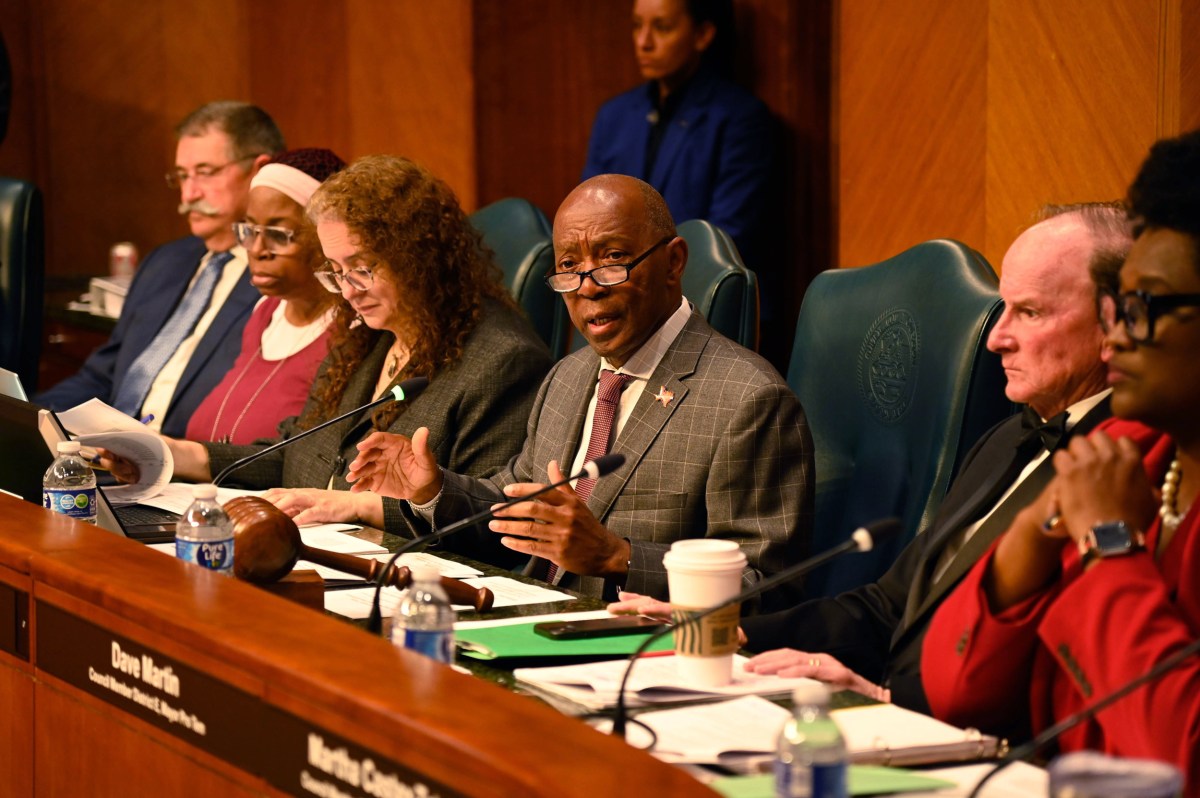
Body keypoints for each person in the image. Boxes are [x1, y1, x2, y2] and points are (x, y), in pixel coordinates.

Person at [611, 202, 1131, 708]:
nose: (996, 339)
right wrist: (723, 625)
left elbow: (1058, 674)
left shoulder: (1124, 473)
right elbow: (887, 606)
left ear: (1115, 325)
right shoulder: (1006, 438)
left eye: (1030, 312)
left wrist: (884, 699)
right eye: (1004, 307)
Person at [347, 174, 812, 606]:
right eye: (569, 266)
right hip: (531, 620)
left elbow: (766, 587)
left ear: (673, 263)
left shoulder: (747, 400)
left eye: (612, 259)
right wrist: (432, 489)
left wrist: (618, 557)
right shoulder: (568, 376)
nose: (587, 287)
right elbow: (518, 506)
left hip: (636, 658)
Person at [922, 131, 1200, 780]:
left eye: (1143, 308)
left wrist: (1109, 548)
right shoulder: (1128, 454)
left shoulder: (1111, 485)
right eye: (1113, 307)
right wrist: (1033, 535)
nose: (1115, 337)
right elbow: (958, 687)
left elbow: (1179, 763)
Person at [146, 155, 553, 533]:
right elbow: (294, 453)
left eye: (361, 268)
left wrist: (360, 506)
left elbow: (490, 515)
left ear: (417, 255)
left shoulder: (502, 360)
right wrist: (171, 453)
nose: (348, 291)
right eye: (336, 271)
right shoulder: (367, 339)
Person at [37, 101, 283, 437]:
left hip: (190, 468)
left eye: (206, 172)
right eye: (182, 176)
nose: (188, 193)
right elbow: (104, 376)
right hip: (104, 458)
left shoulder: (280, 279)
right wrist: (31, 418)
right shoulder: (165, 262)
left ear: (258, 171)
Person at [581, 0, 773, 276]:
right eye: (637, 26)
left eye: (662, 27)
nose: (644, 42)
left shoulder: (739, 118)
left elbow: (726, 237)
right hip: (616, 286)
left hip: (697, 291)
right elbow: (589, 219)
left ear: (702, 35)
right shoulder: (614, 116)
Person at [185, 148, 344, 444]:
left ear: (326, 236)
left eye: (277, 234)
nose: (257, 250)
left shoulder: (351, 332)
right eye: (249, 230)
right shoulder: (266, 312)